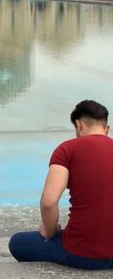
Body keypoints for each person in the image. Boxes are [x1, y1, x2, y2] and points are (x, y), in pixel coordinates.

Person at [9, 100, 113, 270]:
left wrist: (49, 231)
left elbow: (49, 201)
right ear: (106, 129)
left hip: (82, 253)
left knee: (17, 243)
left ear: (78, 125)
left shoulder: (67, 149)